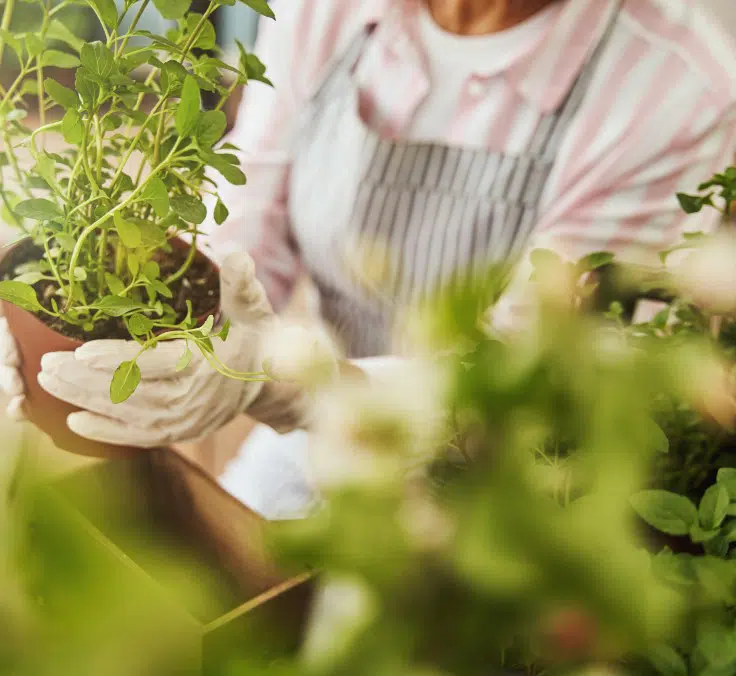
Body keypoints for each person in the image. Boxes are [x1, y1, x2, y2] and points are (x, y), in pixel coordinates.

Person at [2, 0, 736, 519]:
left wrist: (287, 385)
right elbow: (246, 217)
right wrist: (198, 337)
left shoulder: (673, 82)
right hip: (312, 436)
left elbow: (531, 393)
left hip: (517, 503)